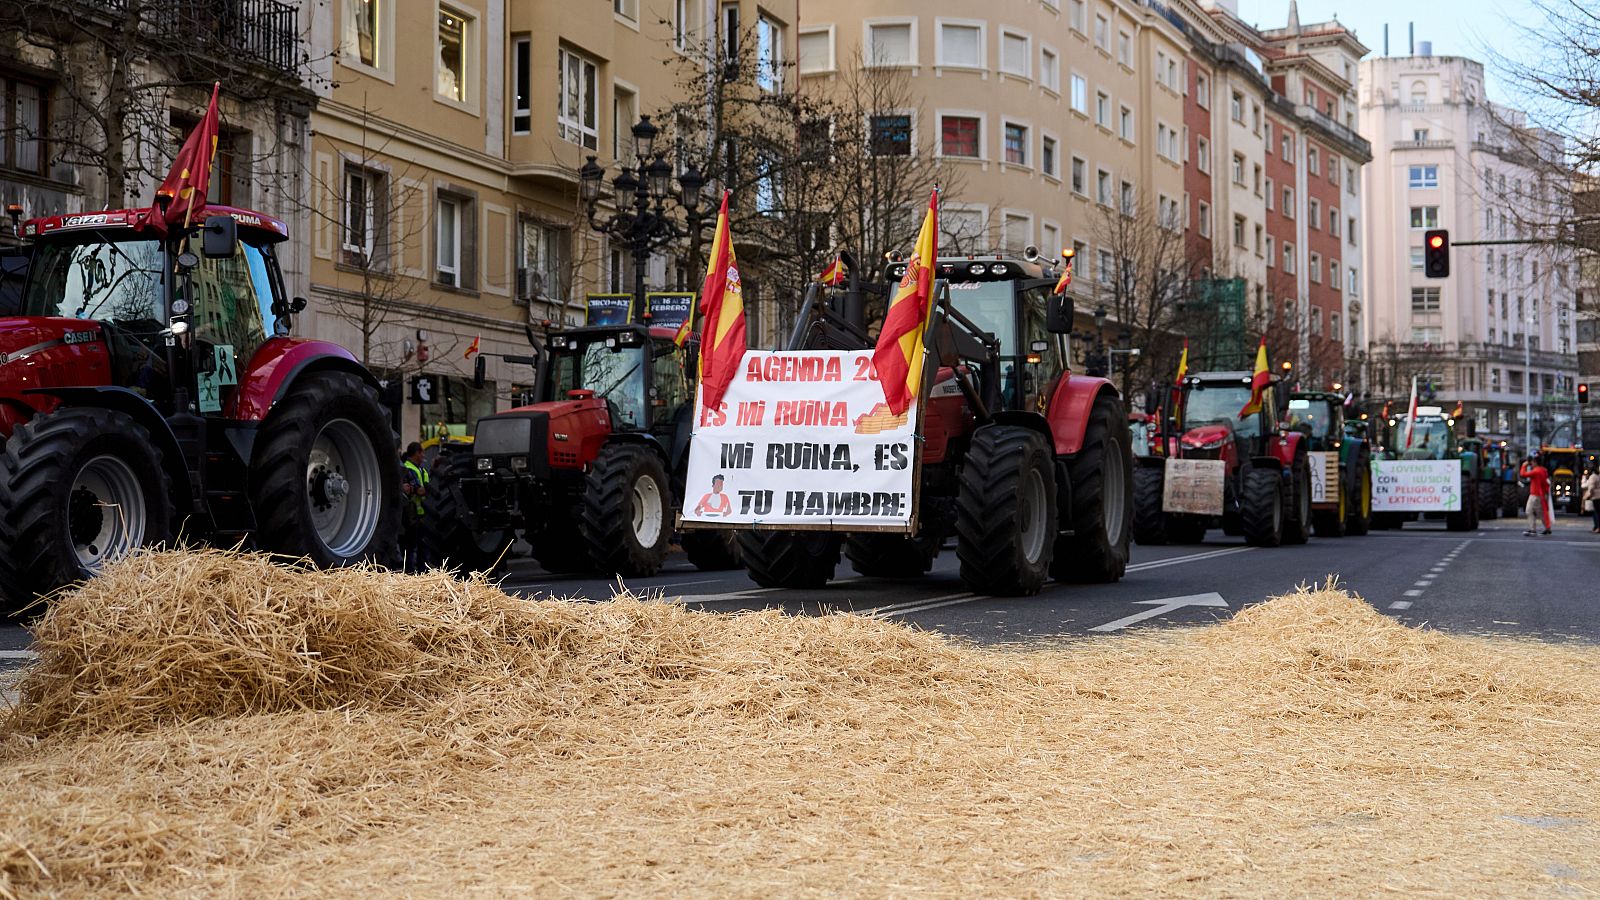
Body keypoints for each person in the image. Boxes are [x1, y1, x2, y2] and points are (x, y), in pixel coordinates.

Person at [400, 442, 430, 571]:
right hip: (410, 515)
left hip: (420, 514)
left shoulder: (420, 469)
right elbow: (420, 491)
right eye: (422, 452)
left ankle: (422, 571)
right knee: (410, 546)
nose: (423, 455)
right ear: (417, 453)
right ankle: (410, 572)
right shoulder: (408, 468)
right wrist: (429, 490)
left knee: (422, 545)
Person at [1519, 455, 1551, 536]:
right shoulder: (1543, 470)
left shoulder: (1536, 471)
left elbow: (1523, 474)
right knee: (1541, 512)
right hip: (1540, 494)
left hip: (1535, 495)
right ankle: (1547, 528)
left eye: (1532, 462)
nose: (1531, 464)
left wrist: (1524, 465)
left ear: (1535, 462)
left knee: (1529, 511)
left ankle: (1533, 529)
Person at [1582, 466, 1600, 534]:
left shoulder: (1593, 476)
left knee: (1596, 513)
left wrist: (1590, 495)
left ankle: (1597, 527)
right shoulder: (1599, 476)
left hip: (1596, 496)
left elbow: (1591, 487)